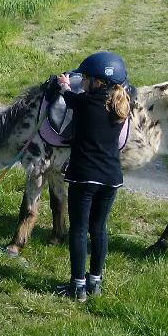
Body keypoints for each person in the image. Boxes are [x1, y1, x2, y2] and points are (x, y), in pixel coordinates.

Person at [55, 51, 130, 302]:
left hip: (84, 177)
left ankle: (77, 288)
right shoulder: (120, 105)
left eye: (85, 78)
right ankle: (95, 282)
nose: (82, 82)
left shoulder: (86, 102)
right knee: (99, 229)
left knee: (78, 230)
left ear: (98, 81)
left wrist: (64, 84)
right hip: (111, 178)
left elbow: (68, 97)